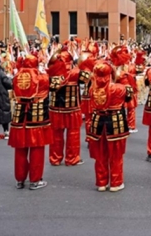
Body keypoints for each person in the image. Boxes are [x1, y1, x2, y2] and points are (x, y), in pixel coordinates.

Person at [8, 54, 52, 190]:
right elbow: (53, 84)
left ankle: (20, 179)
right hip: (36, 116)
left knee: (20, 149)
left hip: (19, 115)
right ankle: (35, 179)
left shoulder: (16, 77)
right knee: (37, 148)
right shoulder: (42, 77)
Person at [87, 61, 131, 192]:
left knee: (100, 154)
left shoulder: (92, 89)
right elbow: (129, 97)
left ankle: (101, 182)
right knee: (116, 155)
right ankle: (115, 183)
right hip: (115, 122)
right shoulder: (119, 88)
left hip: (98, 121)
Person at [48, 50, 83, 166]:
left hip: (55, 108)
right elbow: (89, 79)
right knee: (73, 134)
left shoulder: (52, 73)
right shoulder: (76, 73)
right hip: (72, 108)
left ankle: (55, 158)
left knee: (55, 135)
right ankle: (72, 158)